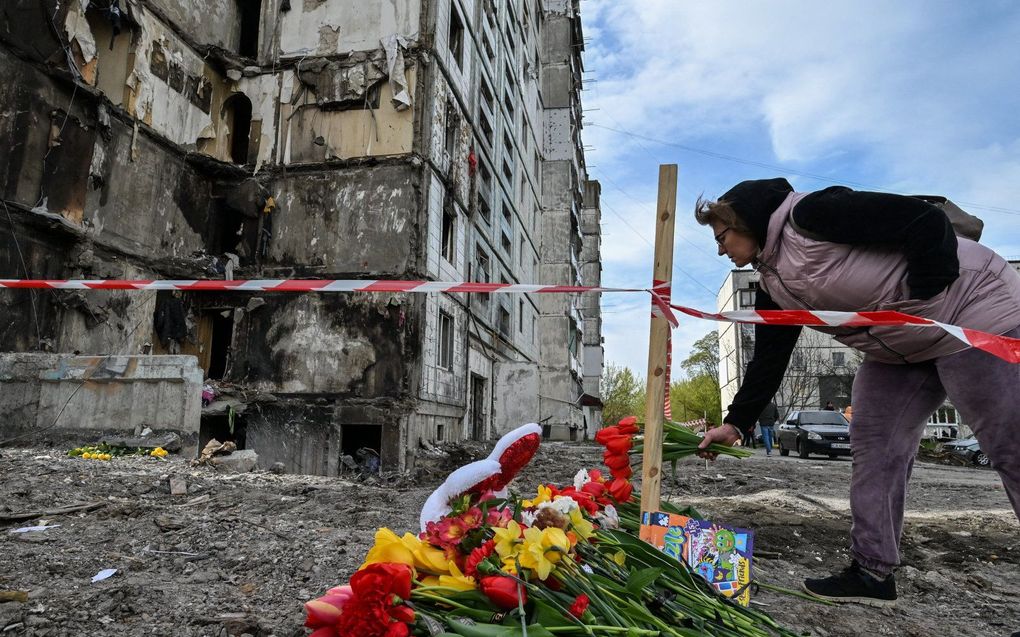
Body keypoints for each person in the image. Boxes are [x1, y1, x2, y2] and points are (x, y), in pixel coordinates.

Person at [693, 178, 1020, 608]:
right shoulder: (773, 287)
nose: (721, 250)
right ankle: (872, 572)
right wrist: (735, 423)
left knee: (1010, 446)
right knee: (874, 447)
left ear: (742, 220)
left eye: (722, 237)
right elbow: (768, 360)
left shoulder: (811, 215)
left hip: (973, 314)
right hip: (900, 347)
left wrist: (924, 293)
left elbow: (923, 220)